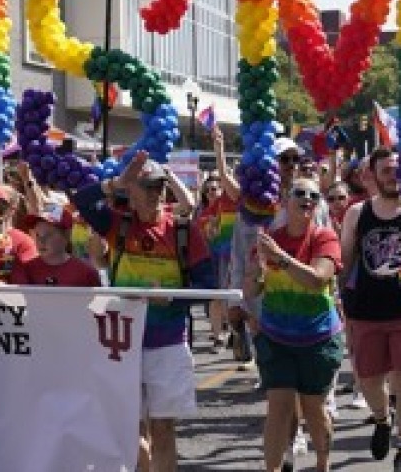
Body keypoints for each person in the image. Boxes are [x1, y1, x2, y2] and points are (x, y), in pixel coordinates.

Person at [72, 152, 216, 472]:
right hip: (123, 344)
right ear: (131, 192)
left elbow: (208, 284)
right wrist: (115, 183)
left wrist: (171, 299)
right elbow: (80, 200)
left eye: (160, 187)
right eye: (147, 187)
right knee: (131, 431)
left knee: (163, 430)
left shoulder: (182, 230)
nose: (156, 194)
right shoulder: (117, 223)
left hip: (168, 343)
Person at [338, 148, 401, 472]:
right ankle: (383, 420)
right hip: (366, 312)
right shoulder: (358, 213)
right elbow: (344, 261)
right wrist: (339, 300)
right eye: (385, 171)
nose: (392, 176)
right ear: (372, 175)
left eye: (397, 169)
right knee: (368, 379)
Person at [246, 178, 344, 472]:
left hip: (318, 338)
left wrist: (281, 258)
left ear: (317, 205)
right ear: (286, 201)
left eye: (313, 195)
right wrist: (254, 273)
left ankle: (322, 464)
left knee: (314, 408)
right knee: (279, 407)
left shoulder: (324, 237)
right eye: (299, 193)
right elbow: (251, 291)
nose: (307, 198)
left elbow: (317, 279)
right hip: (276, 338)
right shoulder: (269, 239)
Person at [200, 126, 244, 357]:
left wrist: (220, 151)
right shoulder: (217, 203)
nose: (214, 190)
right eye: (210, 188)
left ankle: (239, 341)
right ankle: (218, 337)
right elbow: (207, 226)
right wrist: (210, 227)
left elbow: (226, 176)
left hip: (240, 254)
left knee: (237, 301)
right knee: (218, 297)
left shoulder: (244, 196)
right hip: (219, 255)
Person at [10, 203, 101, 288]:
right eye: (37, 235)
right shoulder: (26, 270)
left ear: (66, 235)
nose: (41, 241)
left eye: (48, 234)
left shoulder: (86, 273)